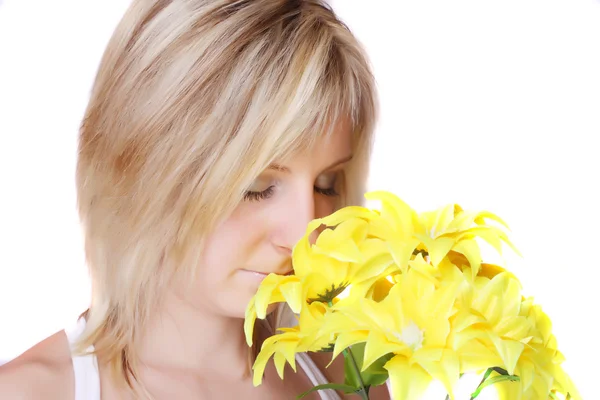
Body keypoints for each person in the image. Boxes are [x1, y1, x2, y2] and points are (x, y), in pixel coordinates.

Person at [0, 0, 389, 398]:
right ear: (142, 163)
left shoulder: (353, 378)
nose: (304, 234)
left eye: (326, 183)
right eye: (255, 186)